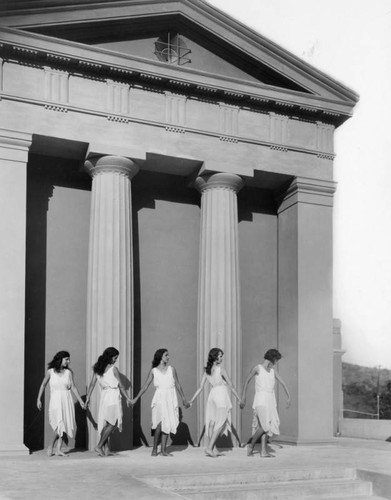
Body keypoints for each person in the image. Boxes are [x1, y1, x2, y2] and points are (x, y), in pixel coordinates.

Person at [131, 348, 190, 456]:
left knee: (167, 423)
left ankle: (163, 450)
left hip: (170, 398)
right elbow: (145, 386)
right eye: (166, 355)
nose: (169, 357)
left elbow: (177, 384)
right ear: (160, 357)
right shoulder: (154, 371)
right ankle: (154, 449)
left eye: (168, 355)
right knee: (159, 424)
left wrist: (184, 399)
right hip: (159, 398)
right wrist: (136, 398)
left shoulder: (172, 369)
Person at [189, 347, 241, 458]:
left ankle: (214, 449)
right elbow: (231, 386)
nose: (222, 358)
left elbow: (200, 387)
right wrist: (239, 399)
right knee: (221, 422)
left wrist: (191, 400)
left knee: (212, 422)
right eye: (220, 356)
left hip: (212, 396)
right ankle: (209, 448)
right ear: (215, 357)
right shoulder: (221, 369)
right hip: (220, 395)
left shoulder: (207, 370)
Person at [240, 348, 291, 457]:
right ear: (272, 359)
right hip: (261, 399)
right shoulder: (257, 368)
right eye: (276, 360)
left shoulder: (273, 371)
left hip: (271, 400)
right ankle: (251, 445)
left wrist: (288, 397)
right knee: (265, 426)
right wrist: (243, 397)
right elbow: (246, 381)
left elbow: (283, 383)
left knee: (268, 425)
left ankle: (263, 451)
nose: (276, 363)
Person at [36, 350, 86, 456]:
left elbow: (73, 387)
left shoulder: (68, 373)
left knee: (65, 423)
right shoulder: (50, 372)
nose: (68, 361)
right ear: (60, 359)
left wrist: (81, 401)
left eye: (69, 359)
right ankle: (51, 446)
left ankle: (58, 449)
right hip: (55, 400)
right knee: (59, 424)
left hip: (66, 399)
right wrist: (38, 399)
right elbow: (43, 385)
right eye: (66, 359)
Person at [86, 347, 131, 457]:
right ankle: (99, 446)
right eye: (115, 358)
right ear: (110, 357)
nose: (116, 360)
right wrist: (128, 398)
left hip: (104, 397)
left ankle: (106, 450)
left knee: (106, 424)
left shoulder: (98, 369)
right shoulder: (113, 369)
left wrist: (88, 397)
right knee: (113, 423)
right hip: (112, 396)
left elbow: (92, 384)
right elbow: (121, 385)